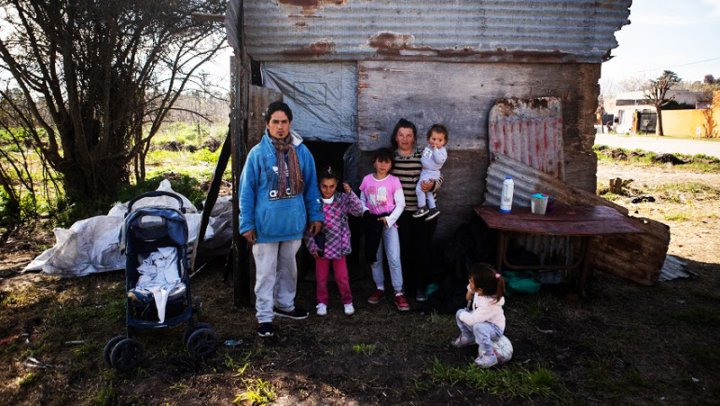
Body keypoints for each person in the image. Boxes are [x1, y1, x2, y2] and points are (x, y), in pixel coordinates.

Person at [239, 101, 323, 338]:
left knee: (289, 269)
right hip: (265, 225)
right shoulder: (257, 154)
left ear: (290, 124)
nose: (280, 126)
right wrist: (246, 223)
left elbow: (311, 187)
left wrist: (315, 214)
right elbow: (246, 191)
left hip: (293, 223)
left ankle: (285, 305)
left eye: (284, 122)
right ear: (267, 124)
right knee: (266, 272)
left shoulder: (302, 152)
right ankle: (264, 316)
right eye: (275, 122)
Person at [390, 118, 443, 303]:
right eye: (401, 135)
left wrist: (433, 185)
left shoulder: (424, 155)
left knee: (423, 250)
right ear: (396, 137)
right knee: (404, 249)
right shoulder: (391, 158)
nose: (405, 139)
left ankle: (421, 286)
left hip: (425, 212)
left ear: (414, 138)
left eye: (409, 135)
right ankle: (405, 285)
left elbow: (439, 176)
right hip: (402, 213)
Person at [304, 167, 364, 317]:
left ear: (336, 185)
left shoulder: (342, 199)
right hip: (321, 247)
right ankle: (322, 302)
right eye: (324, 186)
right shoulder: (314, 202)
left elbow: (358, 210)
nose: (328, 190)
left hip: (339, 247)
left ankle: (347, 301)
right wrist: (312, 246)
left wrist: (350, 193)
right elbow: (308, 228)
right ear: (319, 185)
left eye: (331, 186)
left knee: (342, 277)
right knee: (321, 278)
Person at [359, 148, 410, 311]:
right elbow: (362, 201)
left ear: (391, 164)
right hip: (372, 222)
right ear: (374, 162)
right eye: (380, 161)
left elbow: (401, 204)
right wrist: (366, 214)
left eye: (386, 161)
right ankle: (380, 287)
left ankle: (398, 291)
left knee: (394, 257)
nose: (382, 165)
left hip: (388, 222)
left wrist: (388, 219)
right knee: (375, 256)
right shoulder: (367, 180)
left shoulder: (394, 181)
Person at [451, 263, 506, 368]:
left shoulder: (489, 305)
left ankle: (489, 356)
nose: (469, 282)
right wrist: (470, 290)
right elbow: (470, 294)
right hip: (481, 319)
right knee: (463, 315)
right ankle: (469, 337)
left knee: (477, 326)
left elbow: (473, 320)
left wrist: (461, 314)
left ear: (480, 290)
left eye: (471, 281)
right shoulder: (483, 290)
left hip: (494, 328)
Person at [412, 124, 448, 220]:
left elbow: (439, 160)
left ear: (445, 142)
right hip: (426, 172)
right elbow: (425, 156)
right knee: (428, 192)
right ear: (428, 139)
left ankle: (422, 207)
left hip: (432, 173)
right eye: (433, 139)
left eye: (440, 140)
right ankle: (433, 208)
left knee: (419, 189)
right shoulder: (428, 147)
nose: (436, 142)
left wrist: (436, 149)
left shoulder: (441, 151)